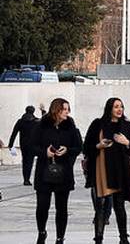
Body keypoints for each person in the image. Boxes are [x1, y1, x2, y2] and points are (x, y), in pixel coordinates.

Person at [84, 97, 130, 244]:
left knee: (119, 206)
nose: (119, 109)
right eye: (116, 107)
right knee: (100, 206)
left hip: (120, 171)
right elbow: (86, 148)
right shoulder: (98, 124)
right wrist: (99, 146)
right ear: (109, 108)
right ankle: (98, 237)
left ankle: (123, 237)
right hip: (101, 170)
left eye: (121, 106)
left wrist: (126, 142)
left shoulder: (128, 126)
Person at [32, 98, 81, 244]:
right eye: (64, 109)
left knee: (62, 207)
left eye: (68, 109)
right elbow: (31, 146)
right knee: (42, 206)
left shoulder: (70, 126)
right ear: (56, 110)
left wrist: (67, 150)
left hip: (63, 172)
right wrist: (44, 153)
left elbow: (78, 146)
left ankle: (60, 237)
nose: (67, 112)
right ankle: (42, 232)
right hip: (44, 172)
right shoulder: (42, 125)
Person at [10, 105, 39, 185]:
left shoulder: (20, 121)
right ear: (33, 111)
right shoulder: (36, 121)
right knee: (30, 162)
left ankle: (25, 179)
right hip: (33, 145)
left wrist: (11, 144)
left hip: (23, 144)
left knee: (24, 161)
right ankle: (27, 179)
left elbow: (14, 133)